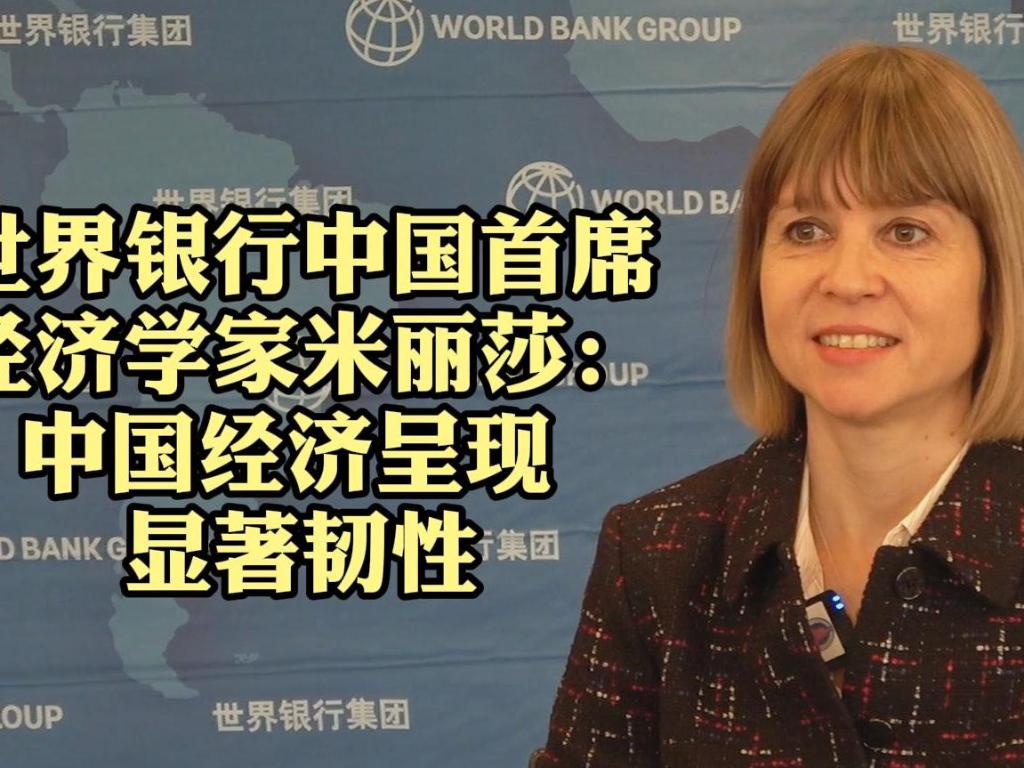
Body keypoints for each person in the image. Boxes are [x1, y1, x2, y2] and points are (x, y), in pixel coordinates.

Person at [531, 42, 1024, 767]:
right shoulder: (658, 555)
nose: (847, 279)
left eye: (906, 231)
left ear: (995, 277)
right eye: (807, 230)